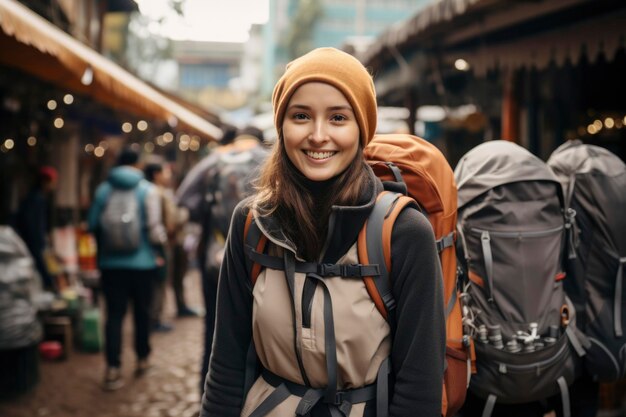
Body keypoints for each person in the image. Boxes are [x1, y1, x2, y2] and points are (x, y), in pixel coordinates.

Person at [200, 47, 445, 416]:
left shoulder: (404, 232)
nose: (318, 135)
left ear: (361, 128)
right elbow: (226, 365)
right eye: (301, 116)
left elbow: (420, 387)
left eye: (338, 118)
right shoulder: (251, 224)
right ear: (281, 126)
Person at [197, 124, 269, 396]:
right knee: (260, 331)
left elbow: (186, 199)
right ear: (260, 141)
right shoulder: (269, 162)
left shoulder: (216, 162)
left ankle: (206, 392)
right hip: (260, 259)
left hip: (215, 257)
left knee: (214, 327)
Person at [88, 147, 166, 391]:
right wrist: (161, 249)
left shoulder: (103, 189)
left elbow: (92, 224)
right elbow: (154, 229)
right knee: (142, 313)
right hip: (143, 264)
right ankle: (142, 359)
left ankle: (113, 368)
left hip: (111, 265)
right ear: (137, 165)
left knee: (113, 315)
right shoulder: (147, 190)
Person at [14, 166, 58, 291]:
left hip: (33, 244)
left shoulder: (35, 198)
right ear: (45, 181)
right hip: (34, 245)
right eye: (53, 182)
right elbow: (35, 228)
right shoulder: (37, 200)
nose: (54, 185)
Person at [144, 161, 176, 333]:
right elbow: (164, 223)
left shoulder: (146, 190)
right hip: (159, 244)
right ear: (156, 174)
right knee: (160, 282)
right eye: (165, 172)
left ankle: (153, 317)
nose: (168, 175)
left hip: (148, 245)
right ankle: (155, 318)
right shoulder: (156, 193)